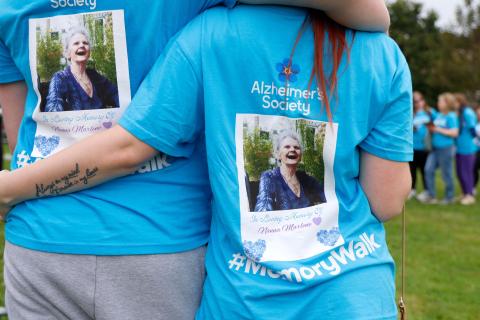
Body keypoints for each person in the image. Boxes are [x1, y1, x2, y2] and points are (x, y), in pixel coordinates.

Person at [0, 5, 411, 319]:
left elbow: (28, 131)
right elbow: (388, 200)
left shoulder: (210, 34)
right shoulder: (383, 56)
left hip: (234, 292)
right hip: (346, 291)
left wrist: (11, 189)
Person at [44, 27, 119, 112]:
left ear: (89, 52)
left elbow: (117, 95)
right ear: (67, 53)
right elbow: (53, 110)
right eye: (76, 43)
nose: (82, 45)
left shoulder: (95, 76)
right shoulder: (60, 79)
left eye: (85, 43)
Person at [254, 131, 326, 211]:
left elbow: (328, 195)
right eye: (287, 147)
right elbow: (263, 208)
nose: (292, 149)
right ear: (278, 154)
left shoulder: (305, 179)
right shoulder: (270, 178)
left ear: (301, 155)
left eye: (296, 147)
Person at [421, 93, 459, 205]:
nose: (438, 103)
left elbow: (454, 132)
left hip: (446, 149)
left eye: (440, 101)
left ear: (447, 103)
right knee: (428, 169)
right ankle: (431, 195)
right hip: (435, 149)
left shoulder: (451, 116)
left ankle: (450, 197)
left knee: (446, 173)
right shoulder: (439, 115)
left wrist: (437, 129)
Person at [453, 93, 477, 205]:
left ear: (459, 102)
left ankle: (470, 195)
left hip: (468, 148)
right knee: (459, 172)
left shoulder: (467, 112)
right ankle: (464, 193)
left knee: (466, 172)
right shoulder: (459, 113)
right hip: (459, 147)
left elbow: (473, 129)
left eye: (455, 102)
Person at [409, 90, 431, 200]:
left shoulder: (429, 113)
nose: (417, 103)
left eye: (419, 100)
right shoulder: (409, 113)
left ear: (423, 101)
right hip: (412, 146)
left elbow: (434, 125)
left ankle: (427, 190)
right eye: (414, 101)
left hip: (424, 147)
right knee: (411, 170)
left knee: (424, 170)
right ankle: (412, 190)